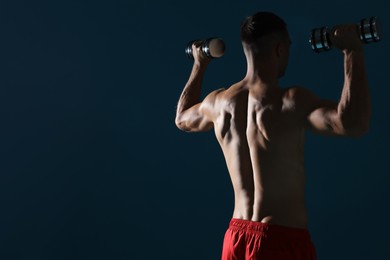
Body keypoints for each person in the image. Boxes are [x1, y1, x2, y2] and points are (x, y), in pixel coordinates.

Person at [175, 11, 371, 260]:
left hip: (235, 239)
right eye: (288, 47)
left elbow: (181, 119)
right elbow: (353, 123)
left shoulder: (218, 103)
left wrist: (199, 64)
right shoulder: (289, 102)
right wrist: (352, 51)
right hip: (279, 240)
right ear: (279, 48)